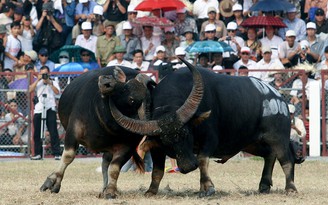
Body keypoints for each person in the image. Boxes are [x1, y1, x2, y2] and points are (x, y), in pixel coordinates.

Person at [29, 65, 61, 160]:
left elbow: (57, 92)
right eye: (42, 74)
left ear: (49, 73)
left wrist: (49, 83)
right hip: (39, 108)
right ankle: (38, 153)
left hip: (50, 107)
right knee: (37, 132)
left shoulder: (54, 81)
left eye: (45, 74)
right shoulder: (37, 82)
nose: (44, 76)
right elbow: (30, 90)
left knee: (53, 131)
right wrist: (38, 80)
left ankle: (56, 153)